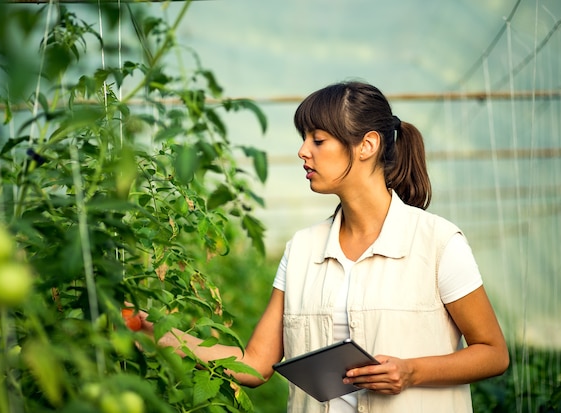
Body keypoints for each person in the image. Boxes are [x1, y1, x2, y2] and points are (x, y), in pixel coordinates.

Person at [131, 80, 509, 412]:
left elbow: (493, 353)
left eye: (318, 139)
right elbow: (256, 362)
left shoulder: (438, 242)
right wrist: (156, 331)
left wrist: (411, 372)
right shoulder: (302, 250)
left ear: (367, 145)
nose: (302, 152)